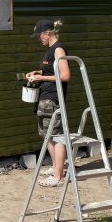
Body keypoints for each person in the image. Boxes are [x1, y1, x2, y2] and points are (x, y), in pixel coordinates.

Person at [24, 18, 71, 187]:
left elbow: (65, 76)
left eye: (40, 36)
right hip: (45, 97)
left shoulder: (58, 49)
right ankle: (55, 167)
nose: (39, 39)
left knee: (57, 137)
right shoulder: (50, 50)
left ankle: (59, 177)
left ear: (48, 33)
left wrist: (41, 77)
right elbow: (52, 69)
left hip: (53, 99)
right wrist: (38, 72)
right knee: (47, 134)